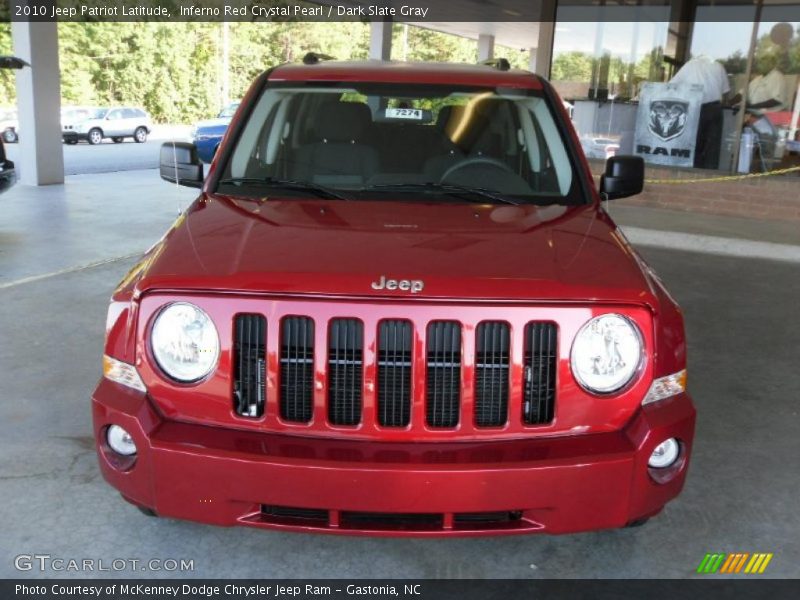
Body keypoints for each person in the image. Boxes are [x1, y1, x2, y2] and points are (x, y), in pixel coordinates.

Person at [670, 55, 730, 169]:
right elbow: (726, 92)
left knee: (694, 145)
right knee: (713, 147)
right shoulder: (718, 66)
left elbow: (672, 86)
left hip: (695, 108)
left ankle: (693, 174)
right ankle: (709, 177)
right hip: (714, 109)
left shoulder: (690, 65)